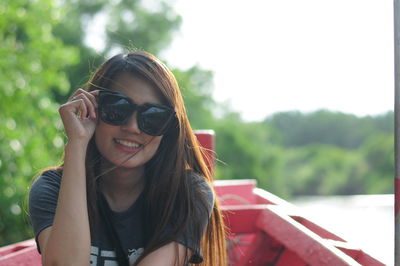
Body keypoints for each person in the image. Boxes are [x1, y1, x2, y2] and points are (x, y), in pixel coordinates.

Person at [29, 51, 227, 266]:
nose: (132, 127)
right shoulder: (52, 189)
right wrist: (77, 144)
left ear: (168, 130)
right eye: (118, 108)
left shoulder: (188, 194)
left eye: (153, 117)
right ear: (93, 108)